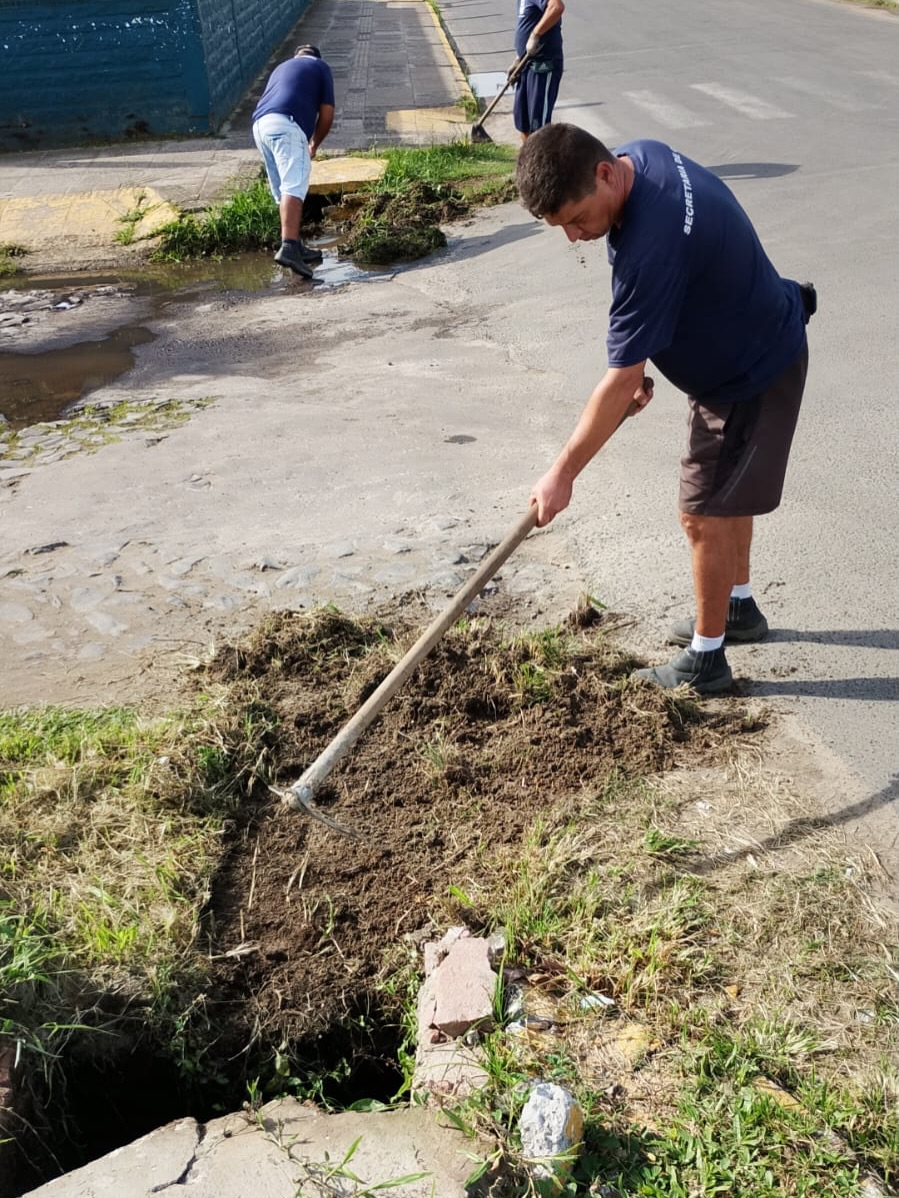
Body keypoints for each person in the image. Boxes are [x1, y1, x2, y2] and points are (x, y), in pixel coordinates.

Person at [516, 124, 816, 695]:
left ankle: (707, 661)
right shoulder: (642, 159)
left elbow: (620, 377)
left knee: (702, 512)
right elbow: (677, 289)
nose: (576, 238)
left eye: (576, 220)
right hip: (757, 339)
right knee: (725, 497)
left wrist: (562, 474)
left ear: (604, 174)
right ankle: (738, 608)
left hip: (748, 374)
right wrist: (646, 354)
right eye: (562, 228)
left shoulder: (650, 243)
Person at [252, 44, 335, 280]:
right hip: (286, 125)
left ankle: (296, 245)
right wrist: (314, 144)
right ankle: (288, 247)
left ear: (296, 56)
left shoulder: (281, 66)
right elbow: (327, 114)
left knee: (282, 188)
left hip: (260, 126)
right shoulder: (320, 66)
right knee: (294, 185)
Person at [512, 0, 565, 141]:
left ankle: (541, 162)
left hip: (543, 65)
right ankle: (527, 160)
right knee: (523, 123)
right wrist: (518, 57)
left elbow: (556, 7)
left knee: (539, 126)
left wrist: (535, 34)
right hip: (526, 64)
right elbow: (527, 22)